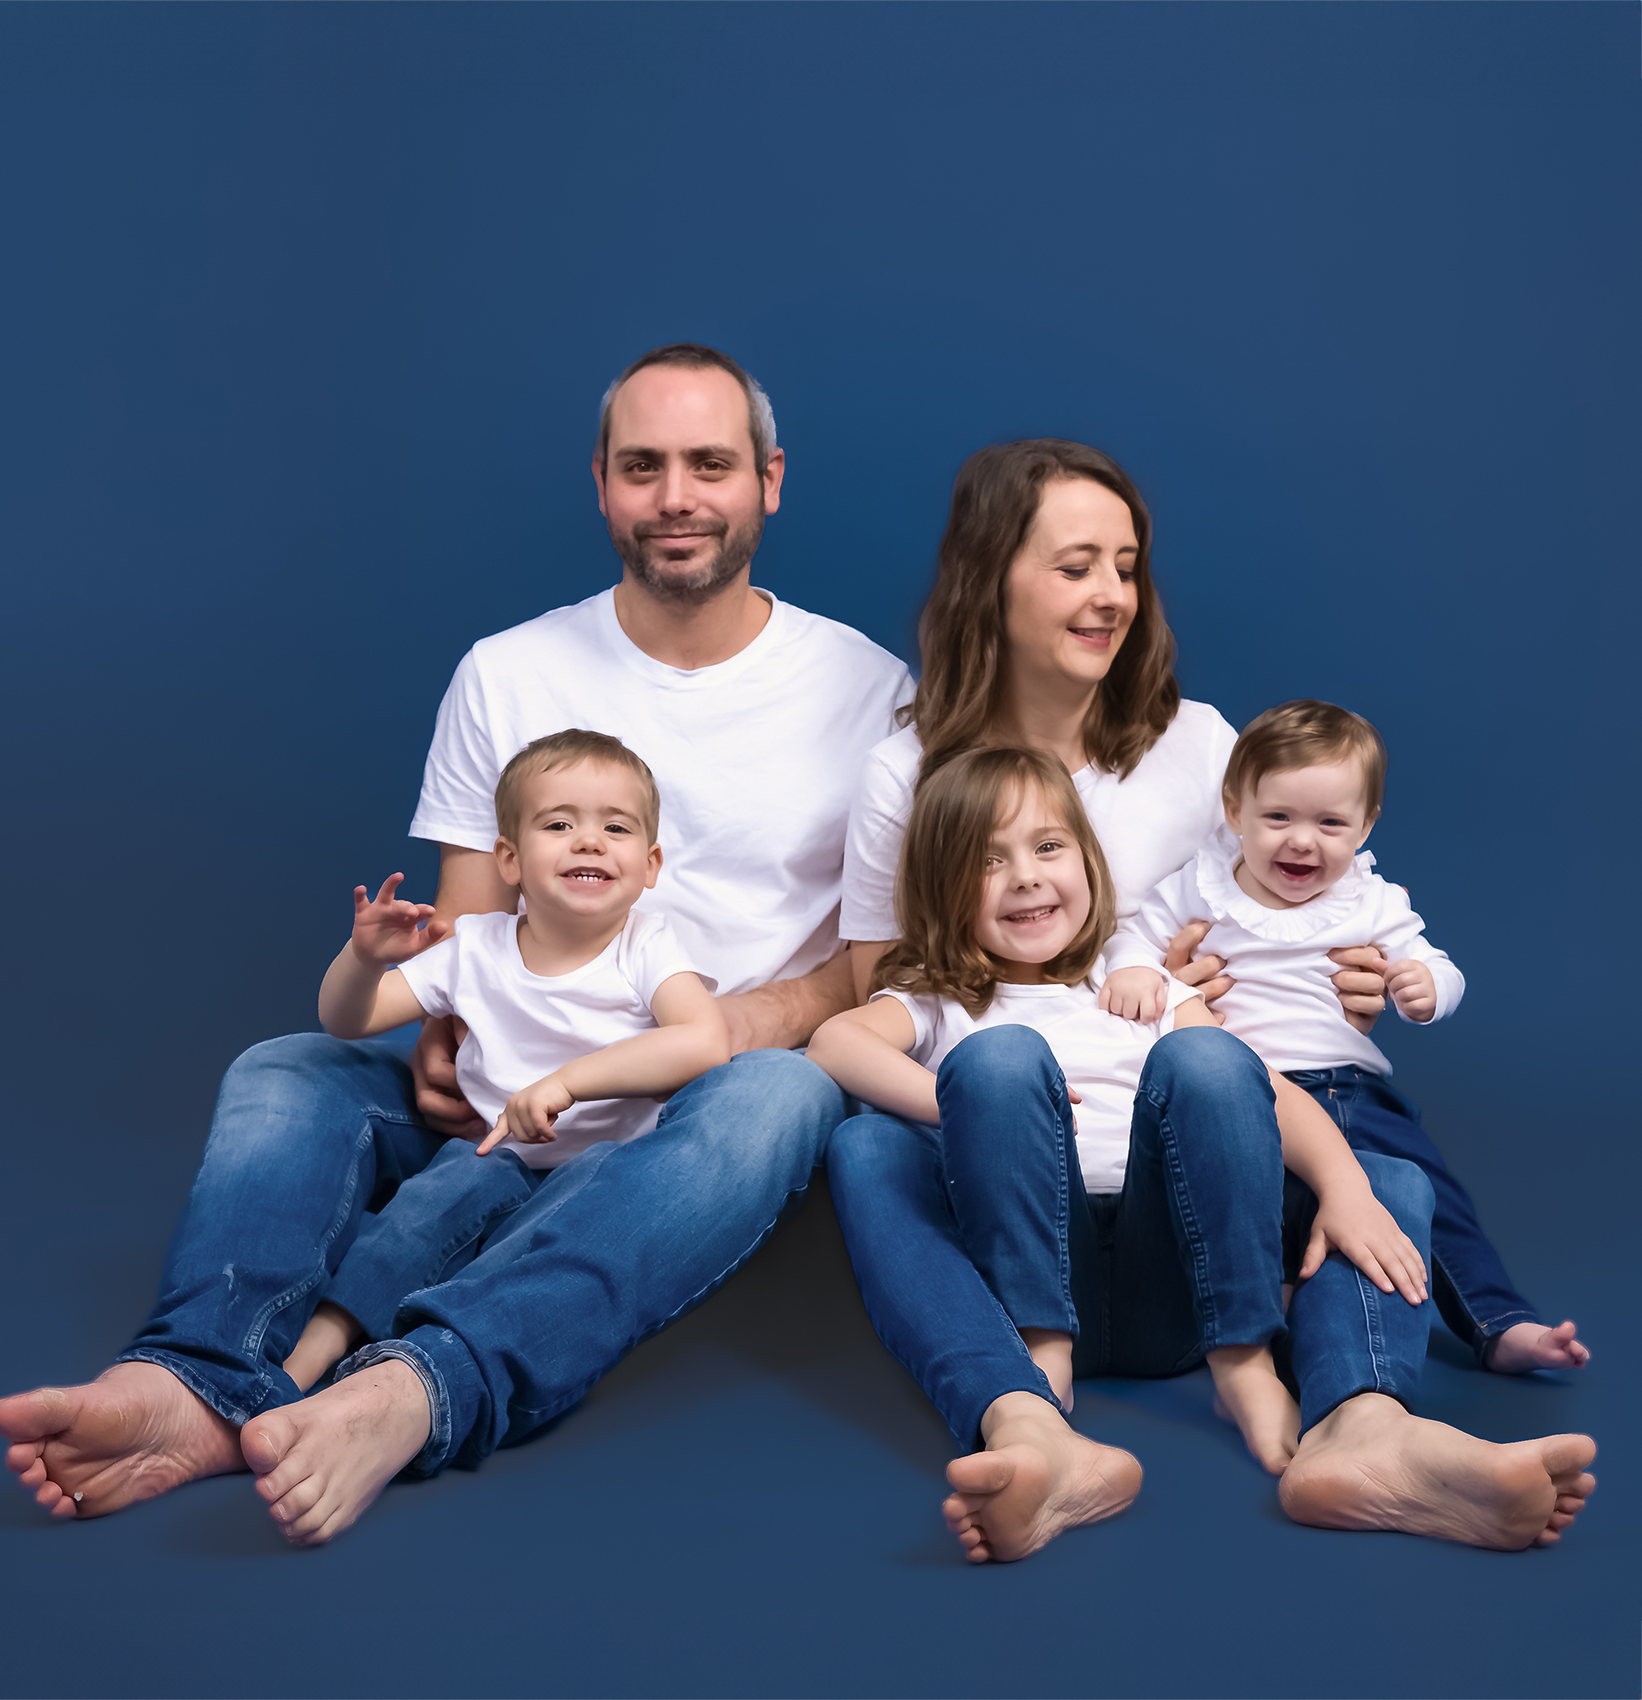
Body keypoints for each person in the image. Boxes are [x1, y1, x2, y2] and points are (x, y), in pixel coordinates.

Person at [0, 342, 912, 1545]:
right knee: (284, 1064)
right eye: (643, 466)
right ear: (600, 482)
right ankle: (196, 1377)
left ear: (768, 479)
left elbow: (873, 971)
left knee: (783, 1094)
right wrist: (446, 1018)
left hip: (710, 1092)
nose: (676, 496)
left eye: (708, 464)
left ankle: (418, 1388)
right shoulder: (509, 670)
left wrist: (729, 1027)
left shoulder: (866, 687)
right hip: (515, 1077)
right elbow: (470, 924)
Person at [825, 438, 1593, 1561]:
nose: (1109, 596)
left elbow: (1291, 914)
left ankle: (1361, 1426)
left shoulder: (1197, 743)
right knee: (863, 1149)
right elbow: (876, 992)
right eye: (1075, 563)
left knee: (1370, 1172)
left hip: (1192, 1157)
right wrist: (996, 1083)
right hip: (1016, 1158)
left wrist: (1338, 986)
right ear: (990, 574)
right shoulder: (912, 767)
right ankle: (1029, 1422)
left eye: (1124, 566)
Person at [1099, 698, 1588, 1374]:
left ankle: (1497, 1321)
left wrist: (1424, 988)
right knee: (1240, 1199)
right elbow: (1136, 935)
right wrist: (1130, 969)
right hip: (1240, 1094)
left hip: (1345, 1087)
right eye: (1279, 818)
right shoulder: (1202, 886)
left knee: (1423, 1191)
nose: (1304, 841)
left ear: (1365, 827)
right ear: (1235, 811)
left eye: (1331, 823)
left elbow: (1437, 965)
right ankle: (1274, 1315)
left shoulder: (1371, 900)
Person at [281, 729, 730, 1393]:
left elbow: (704, 1040)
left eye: (616, 827)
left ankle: (406, 1375)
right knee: (418, 1215)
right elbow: (349, 1021)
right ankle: (310, 1357)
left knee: (541, 1255)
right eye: (559, 824)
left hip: (607, 1170)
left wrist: (568, 1082)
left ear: (651, 864)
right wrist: (364, 960)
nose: (590, 841)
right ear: (510, 859)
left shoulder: (646, 946)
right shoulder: (475, 947)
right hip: (493, 1151)